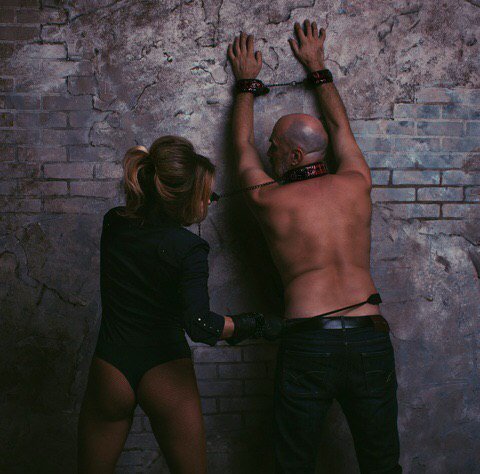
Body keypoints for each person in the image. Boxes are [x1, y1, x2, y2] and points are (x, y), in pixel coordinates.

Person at [227, 21, 401, 474]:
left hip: (309, 341)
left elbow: (240, 146)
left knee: (294, 466)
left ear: (294, 156)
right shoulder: (357, 182)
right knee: (382, 464)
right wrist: (317, 68)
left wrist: (245, 85)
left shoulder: (271, 201)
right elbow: (340, 126)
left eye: (275, 147)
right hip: (369, 336)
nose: (268, 151)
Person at [77, 136, 278, 473]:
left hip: (110, 368)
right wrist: (256, 324)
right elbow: (200, 325)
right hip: (163, 369)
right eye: (205, 193)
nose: (210, 199)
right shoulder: (189, 248)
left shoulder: (113, 223)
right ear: (182, 199)